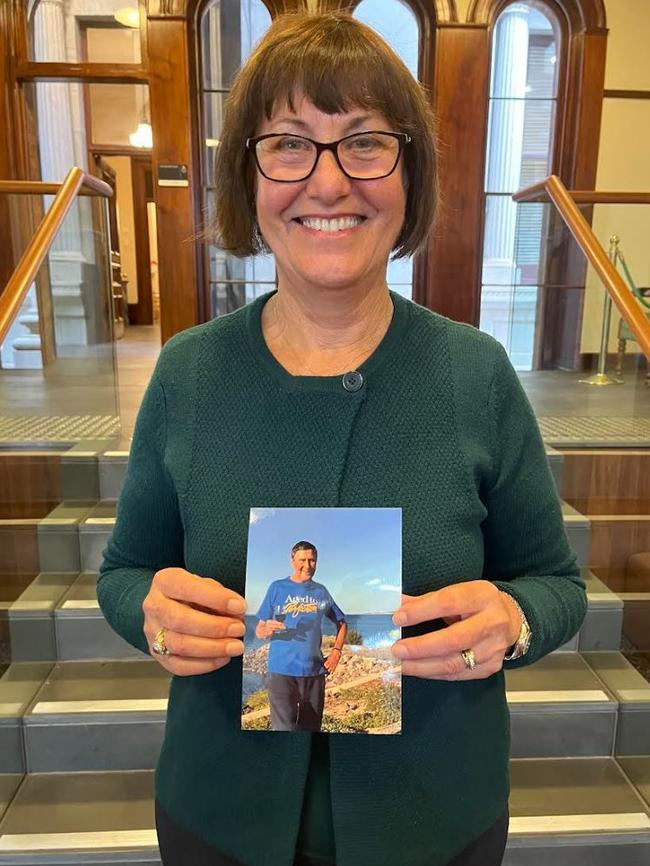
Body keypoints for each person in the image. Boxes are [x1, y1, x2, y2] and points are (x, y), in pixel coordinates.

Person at [97, 11, 587, 866]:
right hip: (220, 816)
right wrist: (150, 616)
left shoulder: (475, 374)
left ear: (411, 175)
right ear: (248, 178)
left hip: (434, 818)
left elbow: (554, 583)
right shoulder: (189, 373)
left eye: (365, 143)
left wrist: (514, 620)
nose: (327, 183)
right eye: (289, 144)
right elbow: (124, 573)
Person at [254, 540, 347, 731]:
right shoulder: (277, 588)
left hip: (313, 672)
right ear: (292, 561)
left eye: (312, 560)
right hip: (281, 671)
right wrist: (266, 630)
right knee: (282, 729)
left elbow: (341, 622)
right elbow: (259, 629)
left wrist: (337, 652)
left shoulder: (320, 591)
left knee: (311, 730)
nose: (307, 565)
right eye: (302, 560)